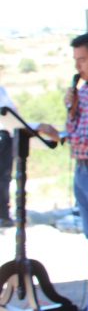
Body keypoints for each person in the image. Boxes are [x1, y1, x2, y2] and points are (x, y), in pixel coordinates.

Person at [39, 33, 88, 277]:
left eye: (83, 60)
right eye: (75, 61)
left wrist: (64, 137)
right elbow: (78, 129)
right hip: (81, 169)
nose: (78, 66)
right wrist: (72, 108)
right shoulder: (85, 90)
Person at [0, 84, 17, 227]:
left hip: (6, 135)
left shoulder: (2, 90)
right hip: (3, 136)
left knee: (4, 178)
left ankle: (4, 214)